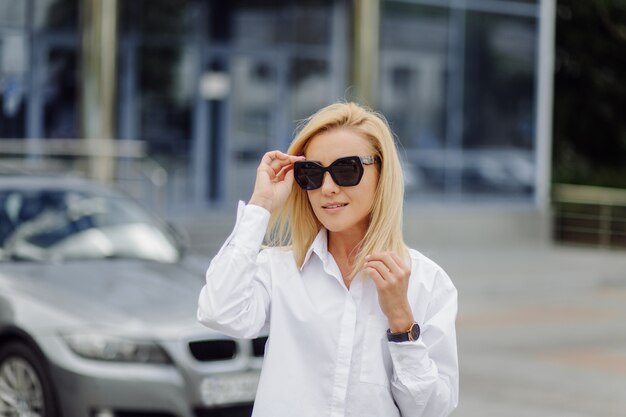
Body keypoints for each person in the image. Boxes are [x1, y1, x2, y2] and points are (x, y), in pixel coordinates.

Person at [197, 102, 458, 417]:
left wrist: (402, 323)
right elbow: (218, 312)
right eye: (313, 174)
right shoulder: (278, 269)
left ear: (382, 173)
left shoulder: (427, 283)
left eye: (346, 170)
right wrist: (261, 205)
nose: (328, 188)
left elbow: (431, 411)